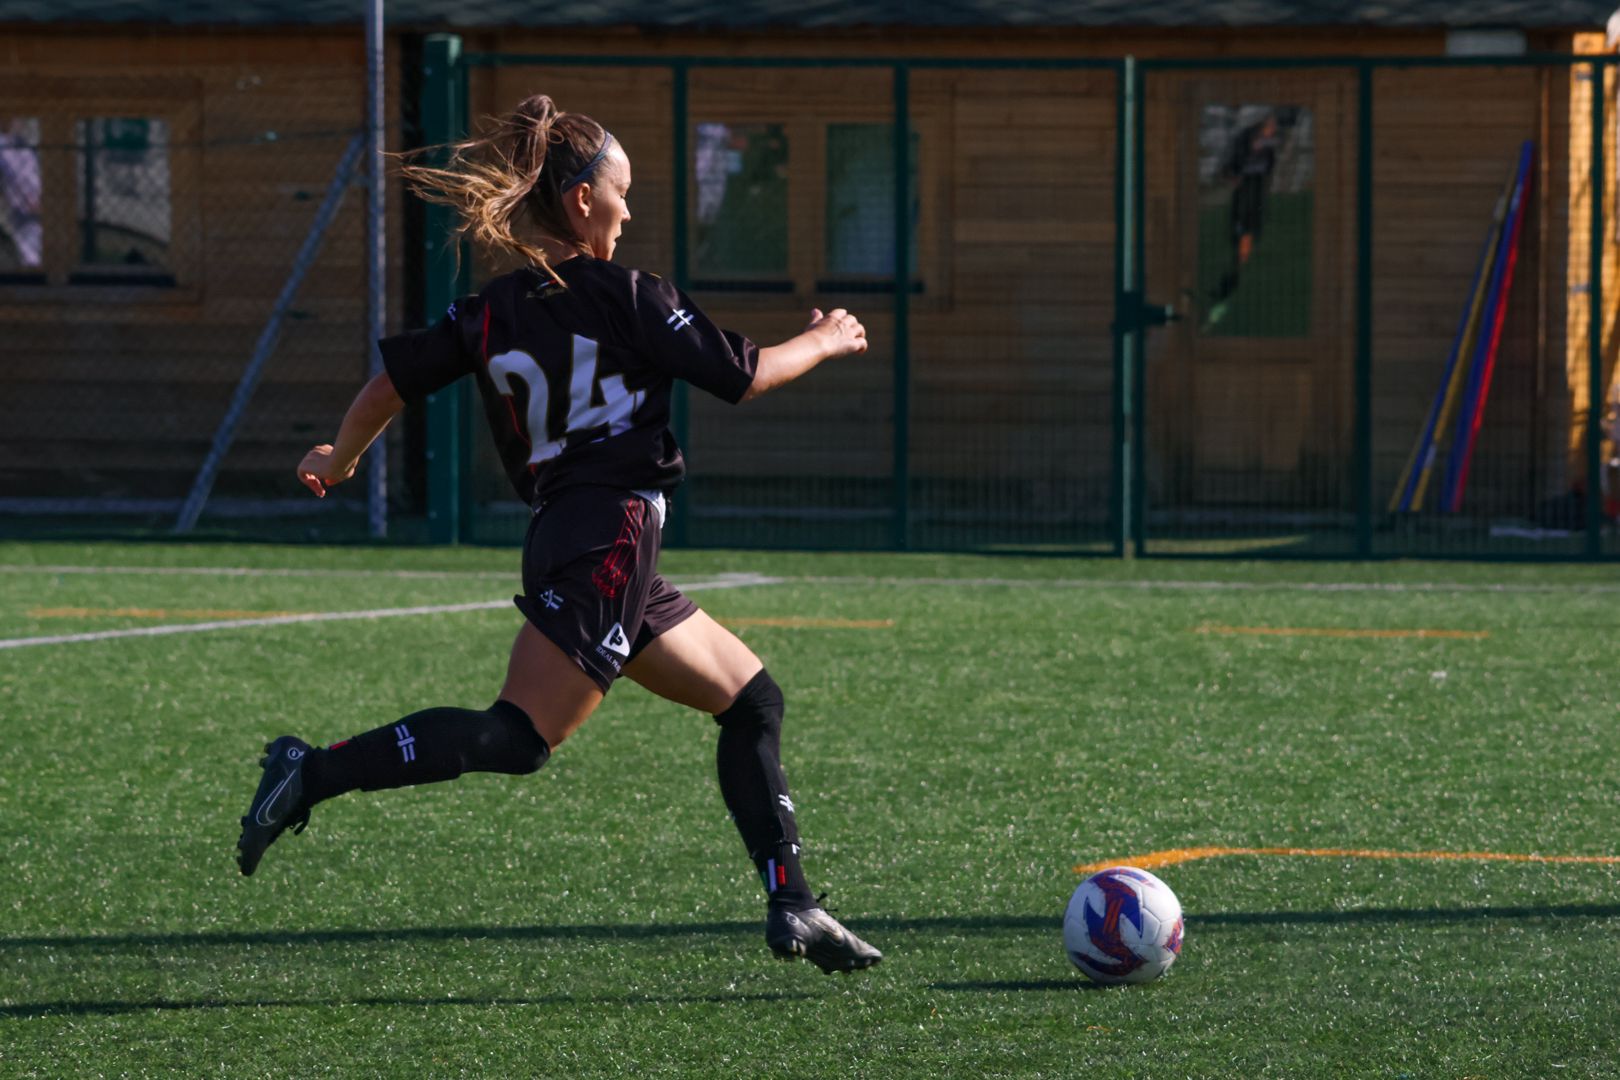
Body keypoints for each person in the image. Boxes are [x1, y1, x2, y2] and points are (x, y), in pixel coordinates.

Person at [235, 94, 881, 975]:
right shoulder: (628, 296)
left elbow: (390, 385)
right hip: (606, 536)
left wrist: (341, 457)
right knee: (518, 739)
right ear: (582, 201)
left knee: (751, 699)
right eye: (623, 192)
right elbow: (749, 376)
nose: (629, 208)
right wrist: (827, 338)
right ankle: (309, 772)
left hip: (594, 542)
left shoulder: (490, 310)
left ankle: (795, 903)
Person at [1209, 111, 1279, 311]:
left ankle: (1234, 275)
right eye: (1269, 127)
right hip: (1245, 191)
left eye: (1273, 128)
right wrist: (1234, 177)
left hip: (1253, 191)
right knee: (1240, 234)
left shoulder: (1266, 146)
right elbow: (1227, 169)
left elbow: (1268, 166)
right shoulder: (1242, 142)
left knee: (1245, 234)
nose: (1272, 131)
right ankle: (1231, 277)